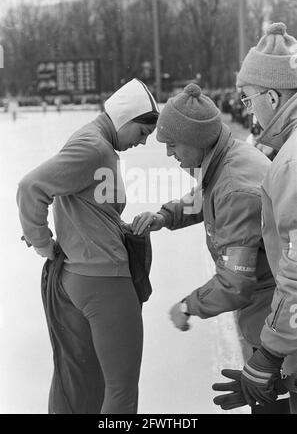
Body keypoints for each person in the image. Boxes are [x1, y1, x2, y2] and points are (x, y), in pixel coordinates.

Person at [131, 83, 288, 413]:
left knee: (272, 405)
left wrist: (188, 306)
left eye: (173, 145)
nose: (169, 154)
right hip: (270, 313)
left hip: (273, 321)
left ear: (197, 140)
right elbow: (205, 197)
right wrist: (165, 216)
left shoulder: (234, 188)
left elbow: (235, 283)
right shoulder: (227, 159)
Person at [16, 78, 159, 414]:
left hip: (80, 277)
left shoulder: (95, 142)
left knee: (81, 381)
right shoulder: (93, 148)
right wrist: (42, 242)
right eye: (141, 134)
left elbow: (83, 206)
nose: (141, 143)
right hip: (104, 281)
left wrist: (119, 225)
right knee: (121, 392)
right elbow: (30, 187)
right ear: (125, 120)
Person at [216, 22, 297, 413]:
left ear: (273, 95)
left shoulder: (291, 163)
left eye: (249, 100)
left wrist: (270, 353)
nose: (249, 112)